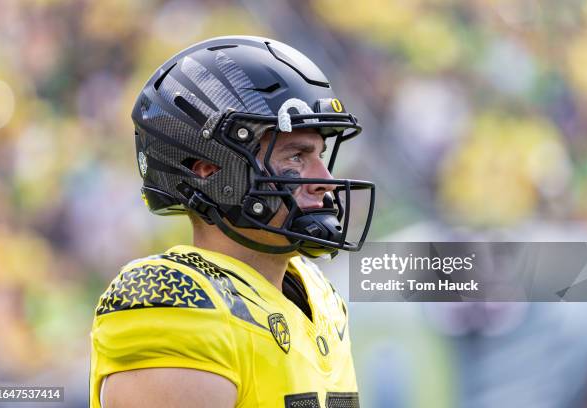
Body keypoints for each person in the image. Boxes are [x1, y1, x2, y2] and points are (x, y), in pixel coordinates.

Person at [89, 35, 375, 408]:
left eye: (320, 154)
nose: (325, 179)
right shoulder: (175, 301)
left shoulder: (317, 293)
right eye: (295, 156)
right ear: (211, 171)